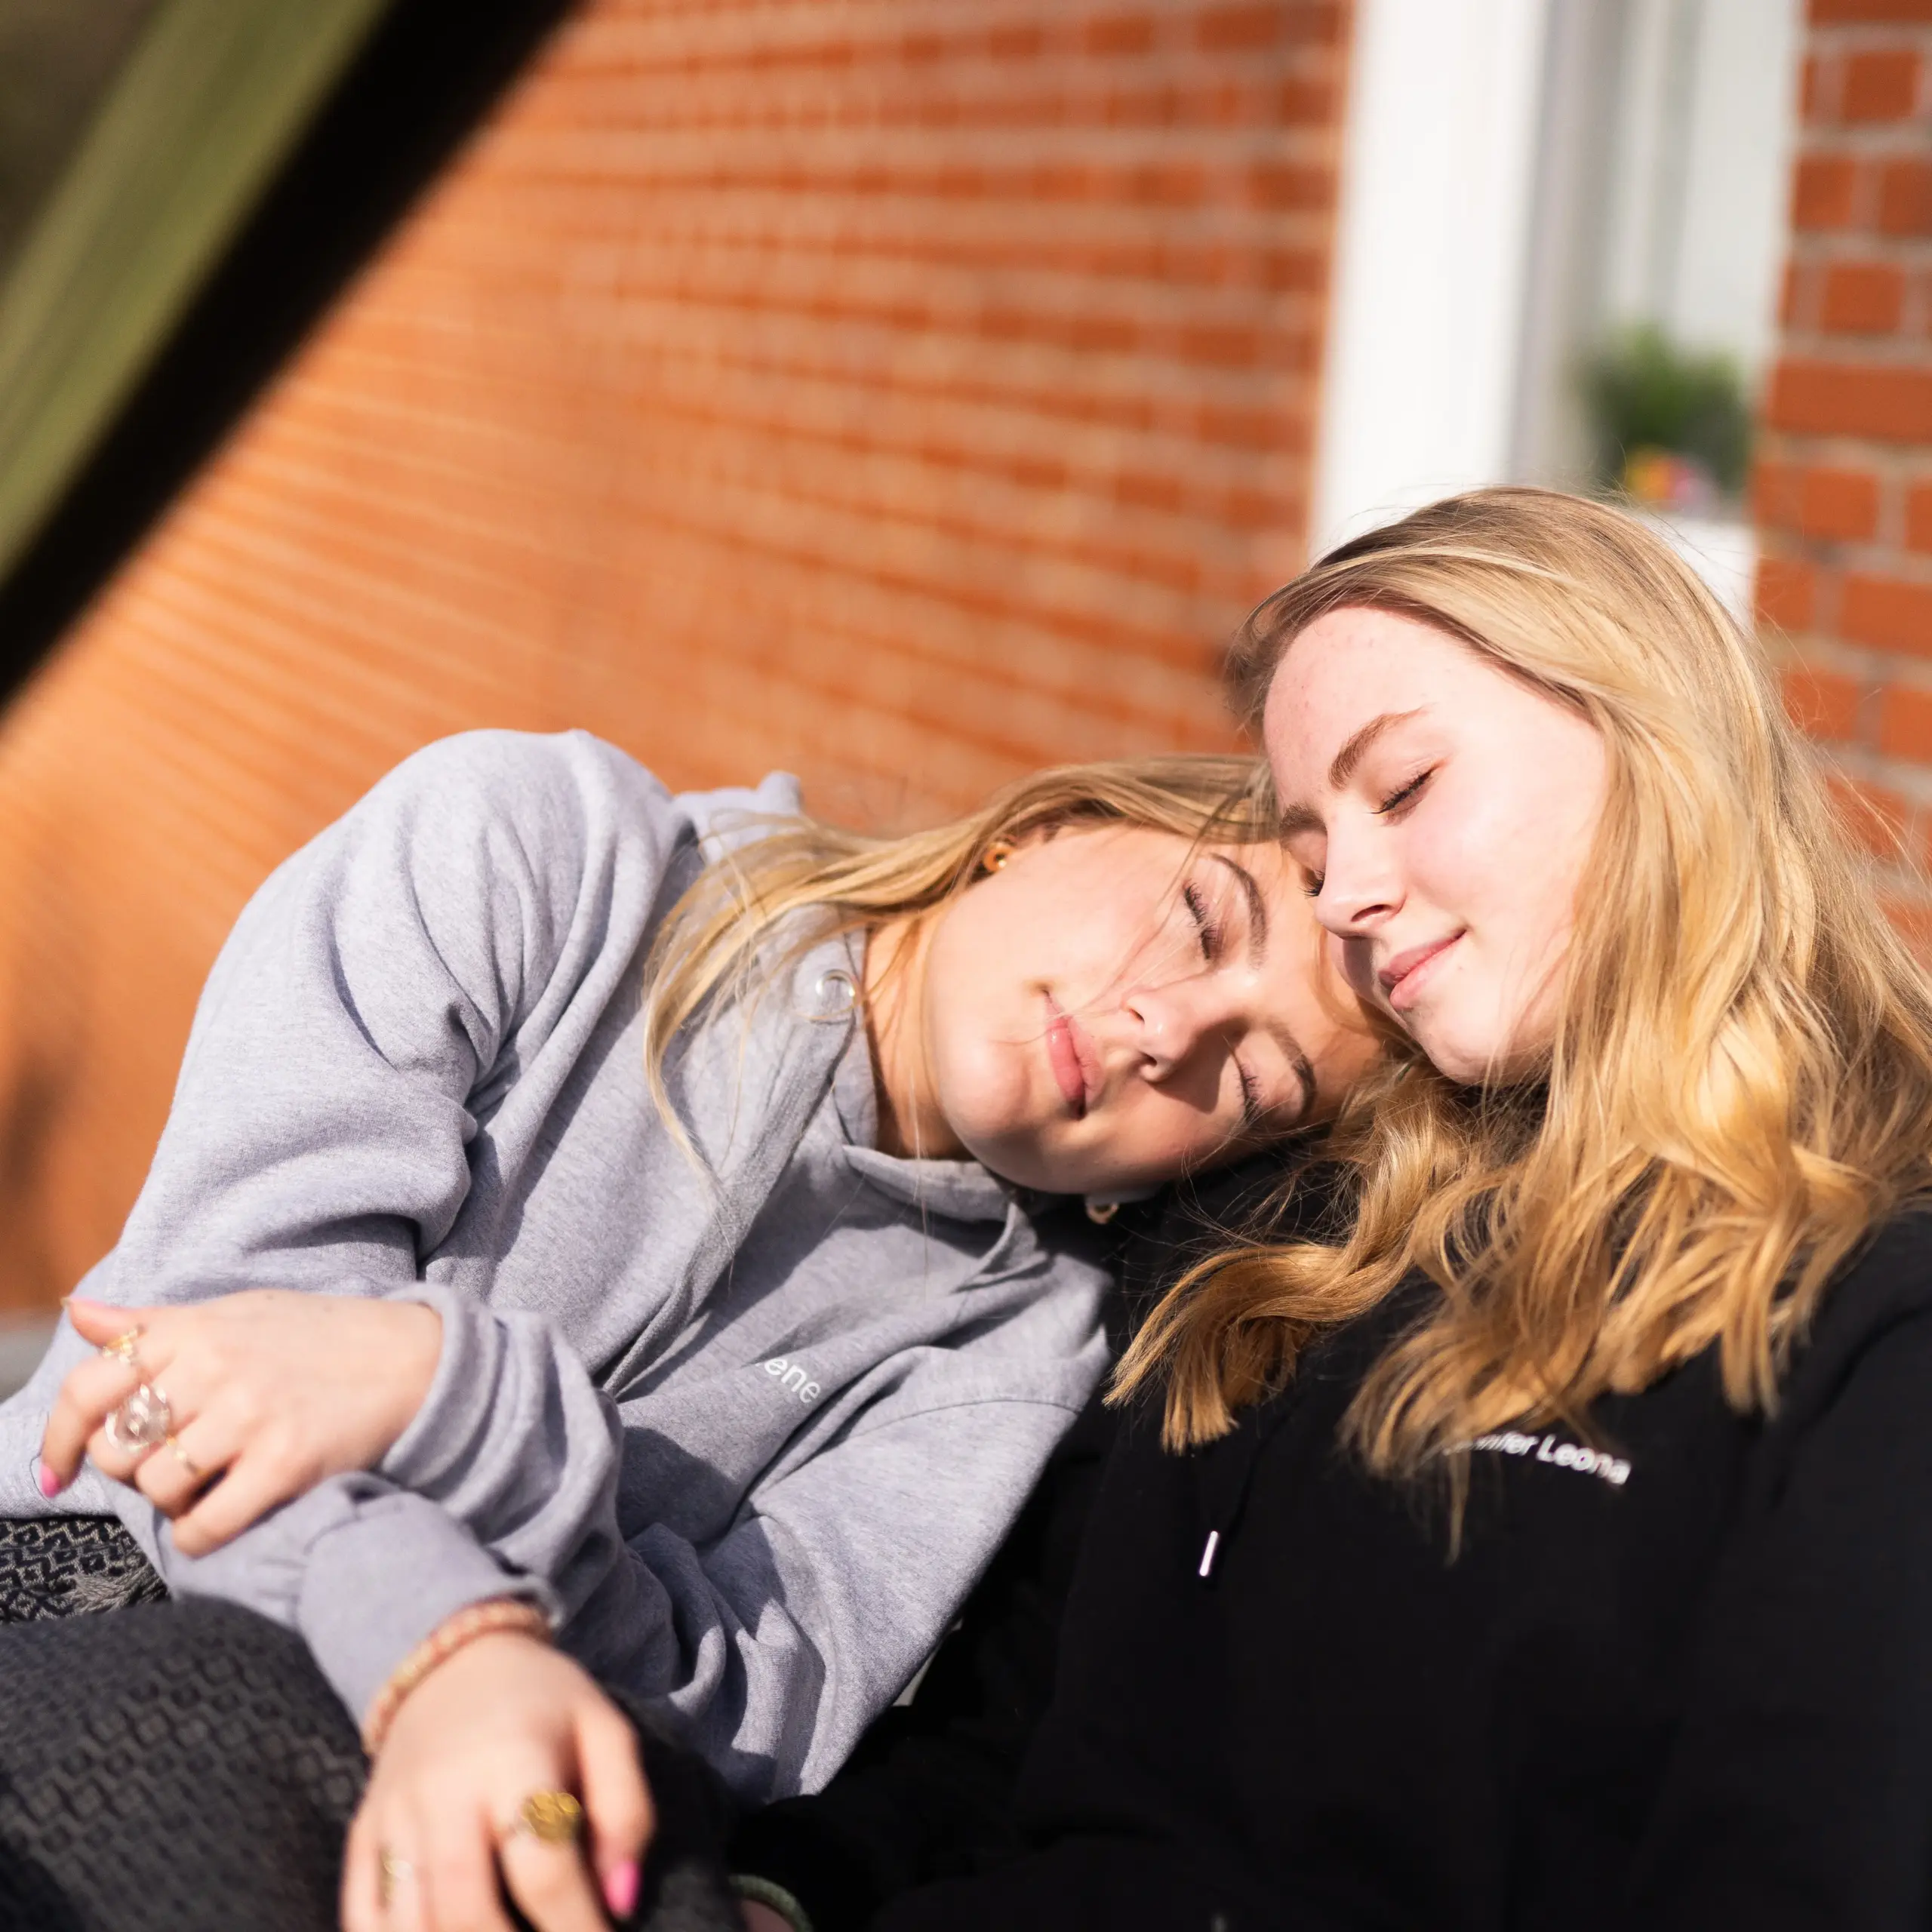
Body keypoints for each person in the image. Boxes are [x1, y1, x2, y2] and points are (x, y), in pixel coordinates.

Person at [0, 728, 1378, 1931]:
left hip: (478, 1785)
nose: (1168, 1031)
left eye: (1252, 1081)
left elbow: (738, 1716)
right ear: (1051, 827)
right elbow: (179, 1372)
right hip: (70, 1575)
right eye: (1202, 922)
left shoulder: (1023, 1346)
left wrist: (456, 1400)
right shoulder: (539, 846)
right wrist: (451, 1643)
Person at [846, 486, 1932, 1931]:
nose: (1343, 897)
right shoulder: (1267, 1238)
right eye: (1308, 856)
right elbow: (992, 1753)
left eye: (1405, 788)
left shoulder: (1872, 1310)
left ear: (1652, 729)